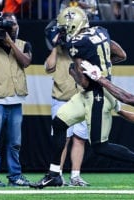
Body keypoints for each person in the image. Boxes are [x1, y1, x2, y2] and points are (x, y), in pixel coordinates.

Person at [30, 6, 134, 190]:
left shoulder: (76, 44)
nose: (62, 31)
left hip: (97, 95)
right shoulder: (100, 31)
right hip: (89, 93)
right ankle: (54, 174)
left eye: (64, 28)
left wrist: (73, 73)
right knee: (59, 122)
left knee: (100, 146)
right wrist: (101, 65)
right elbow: (121, 55)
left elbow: (83, 82)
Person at [0, 12, 32, 187]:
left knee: (15, 143)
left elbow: (26, 62)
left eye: (11, 24)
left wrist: (10, 43)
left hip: (16, 100)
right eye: (5, 25)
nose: (8, 27)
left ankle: (15, 176)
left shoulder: (23, 44)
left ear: (17, 26)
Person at [44, 21, 90, 187]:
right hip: (61, 101)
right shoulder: (56, 52)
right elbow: (49, 68)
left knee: (80, 139)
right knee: (62, 139)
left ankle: (76, 176)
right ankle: (58, 174)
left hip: (81, 99)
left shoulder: (80, 50)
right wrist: (56, 46)